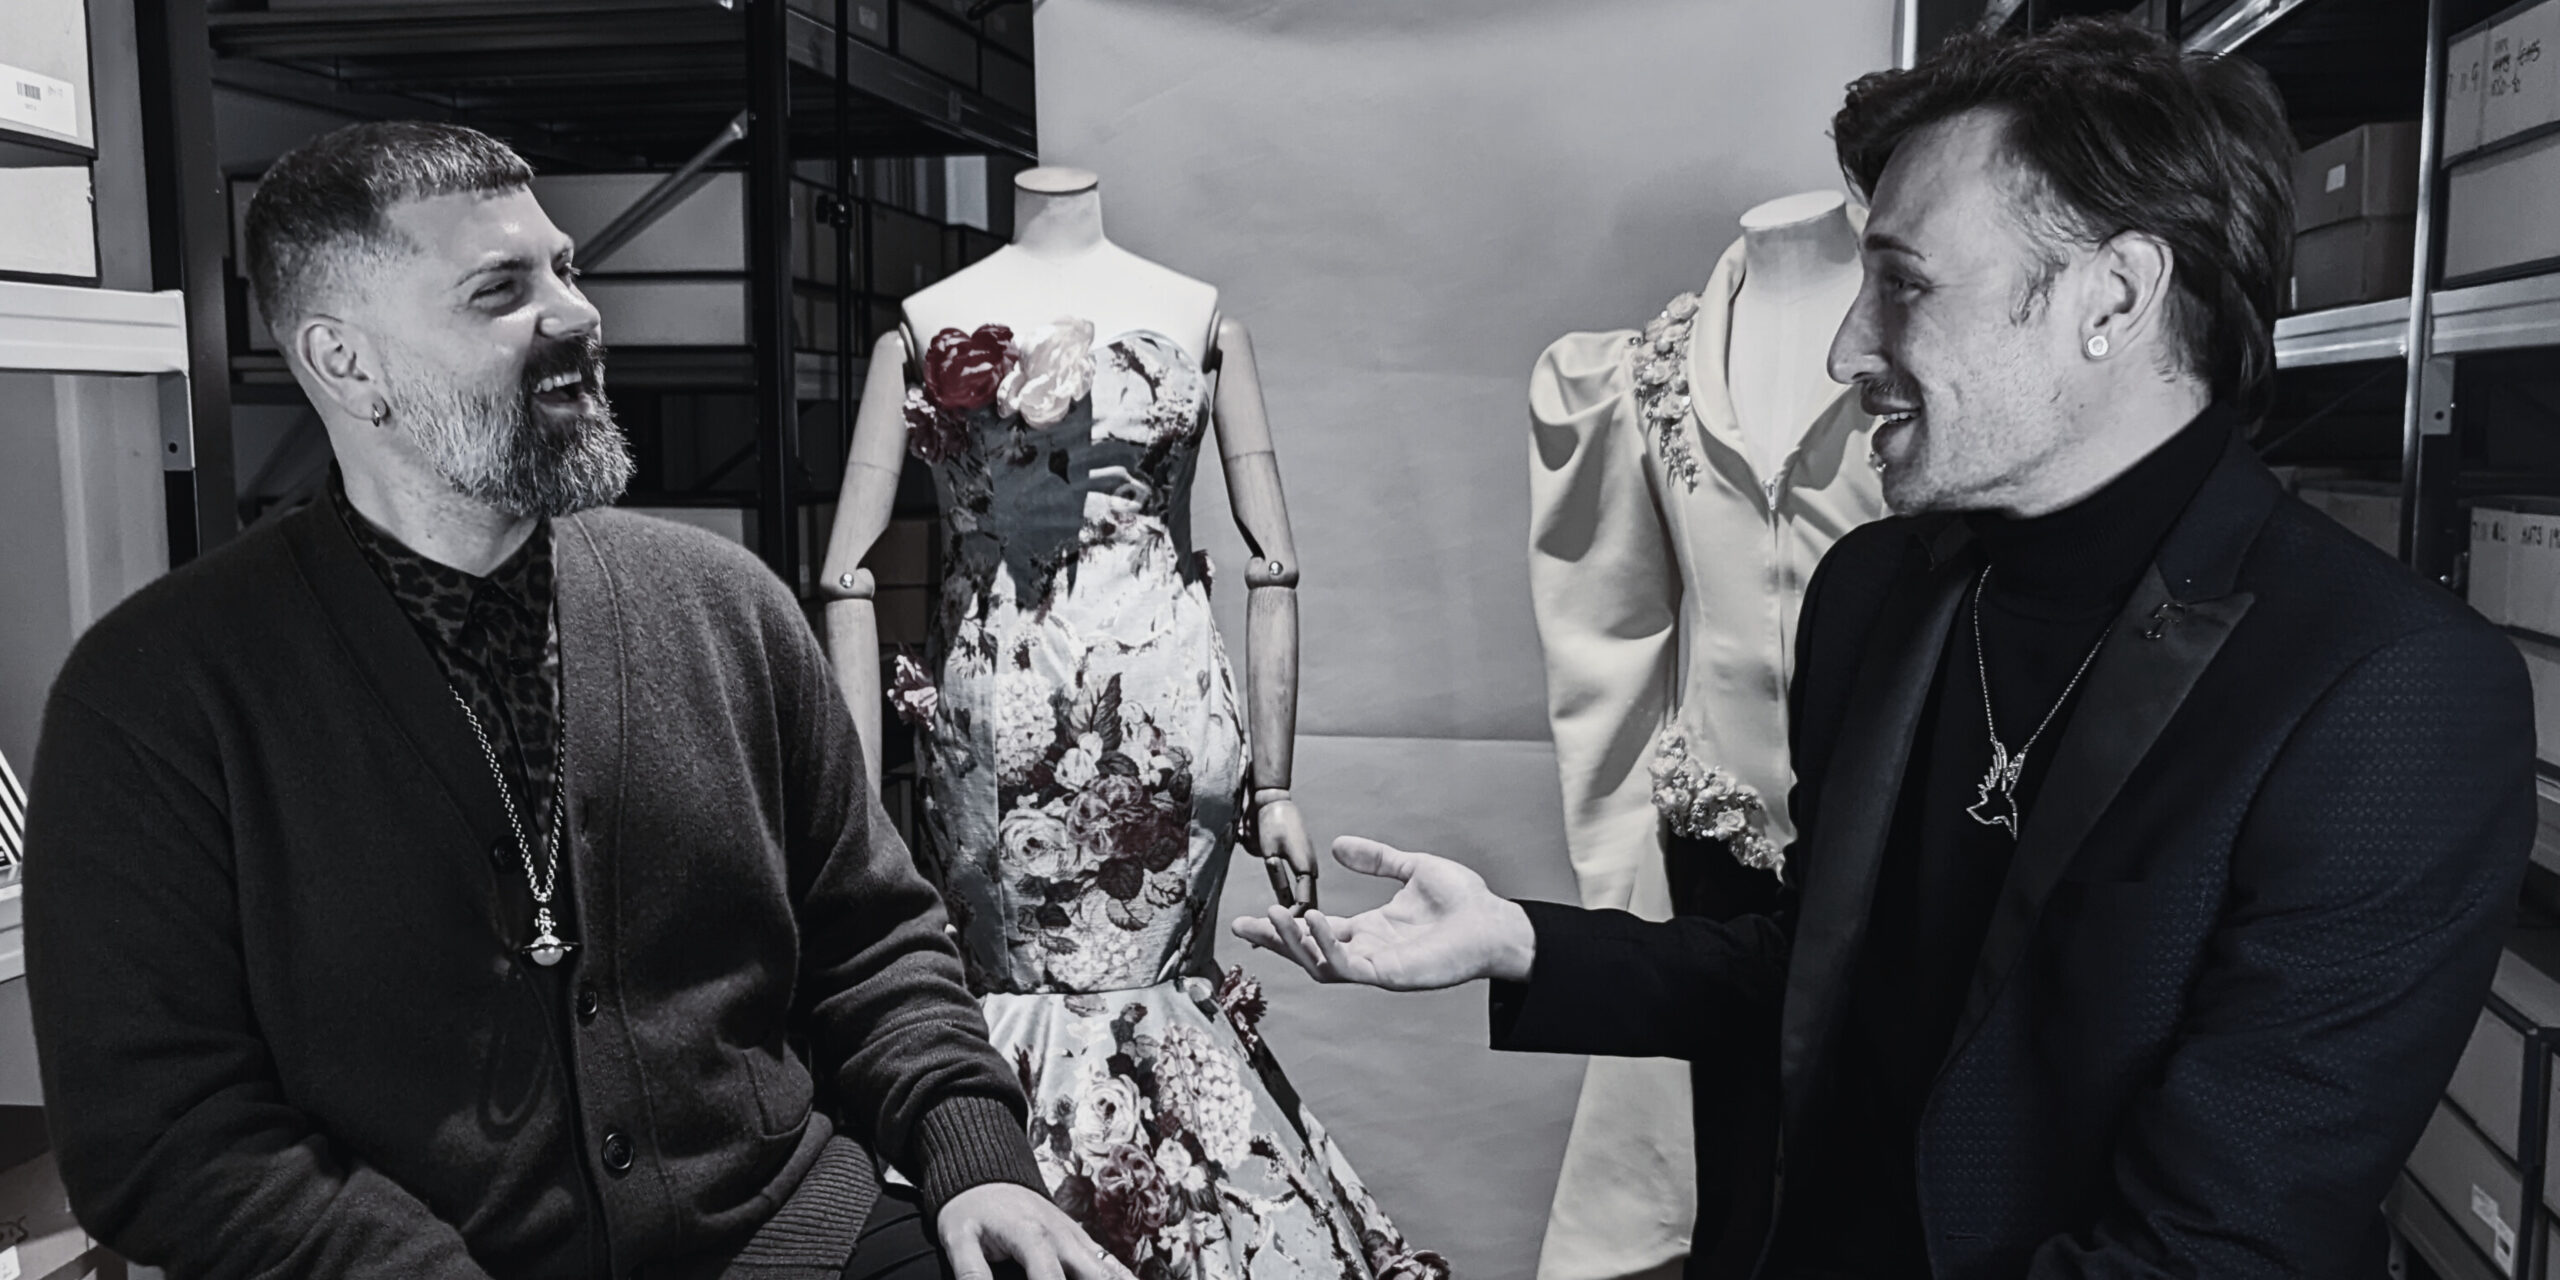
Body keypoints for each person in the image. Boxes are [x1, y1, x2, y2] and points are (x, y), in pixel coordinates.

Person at [1238, 18, 2535, 1278]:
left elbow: (2211, 1250)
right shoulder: (1881, 589)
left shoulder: (2392, 696)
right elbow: (1822, 972)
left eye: (1903, 283)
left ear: (2114, 297)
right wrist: (1524, 942)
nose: (1850, 346)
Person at [23, 121, 1127, 1280]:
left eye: (568, 268)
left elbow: (872, 945)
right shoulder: (154, 695)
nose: (577, 316)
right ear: (345, 362)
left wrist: (975, 1153)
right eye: (502, 289)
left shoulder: (723, 605)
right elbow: (161, 1127)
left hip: (787, 1235)